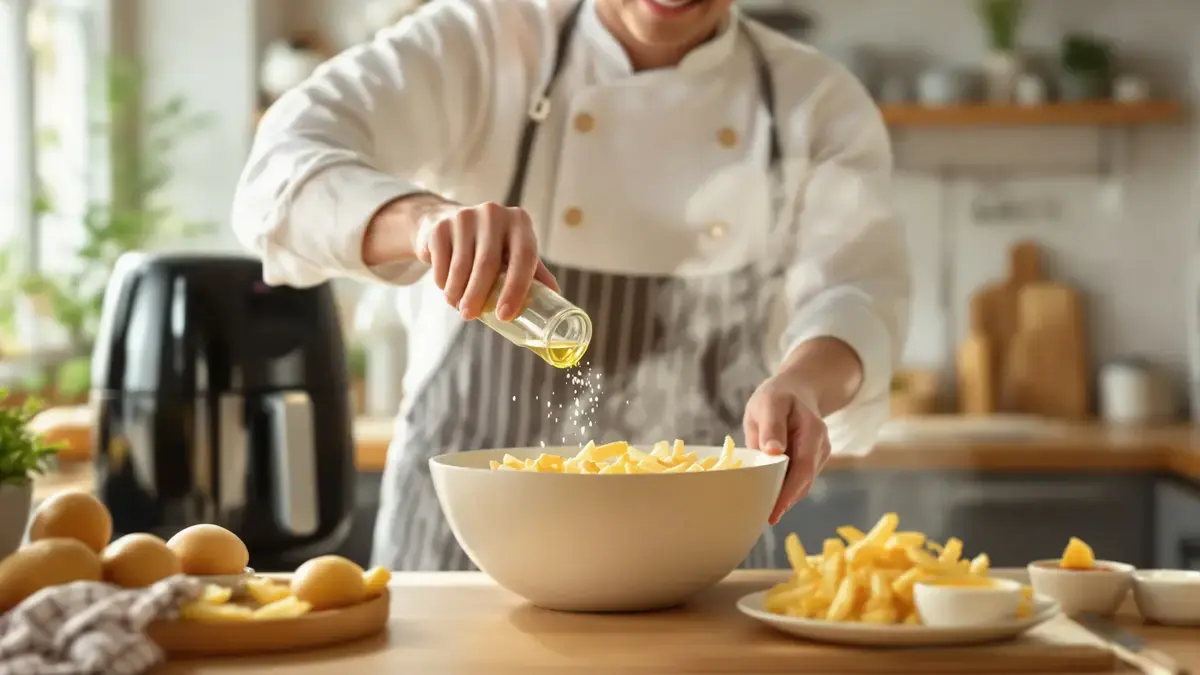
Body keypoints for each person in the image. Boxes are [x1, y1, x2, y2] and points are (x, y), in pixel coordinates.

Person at [232, 0, 910, 572]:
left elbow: (857, 296)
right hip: (464, 556)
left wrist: (803, 384)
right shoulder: (481, 38)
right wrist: (424, 221)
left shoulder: (816, 101)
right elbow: (279, 173)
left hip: (700, 557)